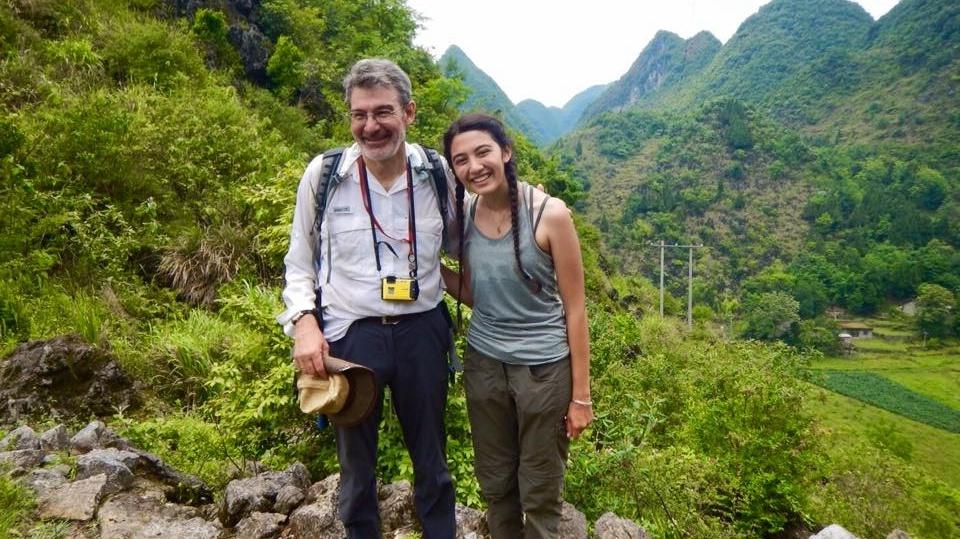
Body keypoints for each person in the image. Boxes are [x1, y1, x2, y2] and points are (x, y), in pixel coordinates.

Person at [277, 58, 457, 538]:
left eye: (383, 112)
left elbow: (473, 242)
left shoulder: (437, 174)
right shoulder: (325, 175)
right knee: (356, 471)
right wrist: (305, 324)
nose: (371, 126)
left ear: (409, 112)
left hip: (423, 330)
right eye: (360, 114)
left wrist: (530, 210)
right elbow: (299, 262)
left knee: (433, 461)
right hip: (352, 337)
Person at [440, 113, 594, 538]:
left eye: (483, 152)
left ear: (505, 152)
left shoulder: (550, 215)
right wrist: (430, 273)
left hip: (543, 373)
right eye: (461, 160)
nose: (474, 166)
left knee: (541, 486)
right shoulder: (465, 215)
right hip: (484, 366)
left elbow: (575, 309)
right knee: (495, 480)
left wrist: (581, 398)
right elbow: (479, 295)